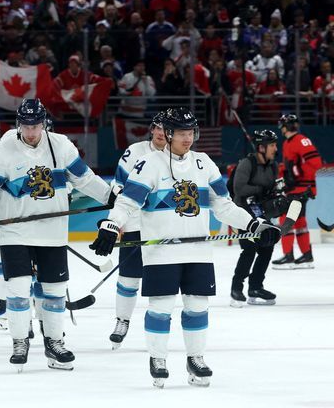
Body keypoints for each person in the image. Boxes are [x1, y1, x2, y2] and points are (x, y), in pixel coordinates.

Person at [90, 107, 281, 388]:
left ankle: (196, 357)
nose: (187, 138)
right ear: (167, 134)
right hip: (161, 254)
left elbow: (224, 206)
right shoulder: (149, 164)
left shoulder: (204, 164)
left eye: (191, 132)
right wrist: (111, 225)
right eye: (181, 133)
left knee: (197, 306)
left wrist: (253, 225)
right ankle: (158, 358)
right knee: (161, 308)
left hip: (197, 253)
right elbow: (128, 202)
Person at [0, 99, 112, 371]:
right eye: (26, 125)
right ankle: (20, 341)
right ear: (18, 124)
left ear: (43, 123)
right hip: (16, 233)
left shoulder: (61, 145)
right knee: (19, 290)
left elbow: (85, 179)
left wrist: (110, 195)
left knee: (55, 292)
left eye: (36, 125)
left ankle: (55, 342)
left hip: (52, 233)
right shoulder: (5, 148)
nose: (31, 131)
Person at [107, 110, 168, 349]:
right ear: (152, 129)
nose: (161, 133)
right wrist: (118, 220)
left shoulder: (175, 155)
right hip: (134, 224)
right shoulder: (135, 152)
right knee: (129, 278)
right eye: (158, 128)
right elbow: (117, 185)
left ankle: (159, 324)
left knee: (162, 278)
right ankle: (122, 321)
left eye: (166, 129)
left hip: (161, 227)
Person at [229, 130, 288, 306]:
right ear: (261, 147)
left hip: (260, 213)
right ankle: (236, 289)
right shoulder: (247, 164)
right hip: (243, 214)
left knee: (267, 247)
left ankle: (255, 287)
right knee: (249, 250)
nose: (275, 148)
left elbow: (269, 189)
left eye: (275, 145)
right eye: (272, 145)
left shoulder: (273, 165)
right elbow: (239, 189)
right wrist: (260, 190)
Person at [272, 114, 323, 269]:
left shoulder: (301, 140)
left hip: (302, 188)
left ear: (285, 127)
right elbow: (290, 166)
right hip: (296, 188)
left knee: (285, 219)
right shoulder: (289, 142)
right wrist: (284, 174)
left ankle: (288, 257)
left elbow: (316, 163)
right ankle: (307, 256)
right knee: (299, 221)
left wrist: (296, 174)